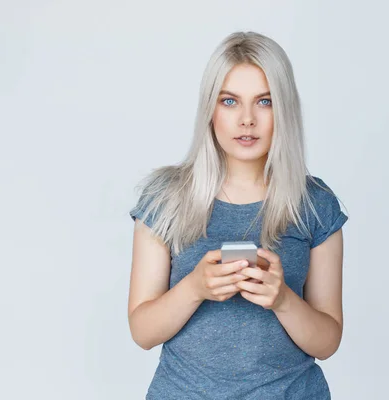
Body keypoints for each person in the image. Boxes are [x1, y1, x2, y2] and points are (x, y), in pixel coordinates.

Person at [127, 31, 348, 399]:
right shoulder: (165, 198)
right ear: (210, 110)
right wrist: (195, 288)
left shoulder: (314, 203)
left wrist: (283, 299)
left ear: (285, 109)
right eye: (229, 101)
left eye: (264, 101)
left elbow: (327, 342)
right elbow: (142, 332)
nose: (247, 119)